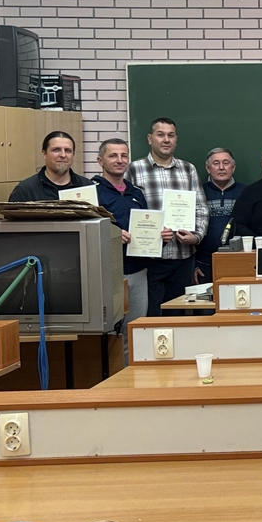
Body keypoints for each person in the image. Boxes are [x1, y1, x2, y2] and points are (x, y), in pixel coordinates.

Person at [125, 117, 209, 317]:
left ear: (176, 140)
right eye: (160, 135)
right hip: (148, 258)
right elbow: (126, 209)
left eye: (171, 135)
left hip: (182, 257)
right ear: (149, 138)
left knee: (177, 314)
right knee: (149, 314)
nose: (166, 140)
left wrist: (196, 236)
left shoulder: (188, 169)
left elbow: (201, 208)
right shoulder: (134, 169)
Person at [91, 138, 149, 361]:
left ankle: (132, 375)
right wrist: (112, 234)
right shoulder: (91, 193)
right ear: (100, 160)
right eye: (113, 155)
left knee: (135, 330)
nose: (119, 160)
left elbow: (146, 226)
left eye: (124, 155)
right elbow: (85, 230)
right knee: (110, 334)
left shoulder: (137, 193)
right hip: (108, 273)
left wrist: (158, 236)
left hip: (138, 270)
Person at [195, 148, 243, 284]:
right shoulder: (198, 192)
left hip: (238, 261)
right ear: (208, 168)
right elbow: (188, 228)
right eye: (216, 163)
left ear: (233, 167)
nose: (221, 167)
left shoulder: (246, 192)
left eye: (226, 163)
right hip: (204, 264)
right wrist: (193, 265)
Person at [8, 131, 94, 201]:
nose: (63, 155)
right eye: (56, 150)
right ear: (44, 154)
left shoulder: (87, 187)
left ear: (73, 155)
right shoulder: (25, 190)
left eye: (68, 151)